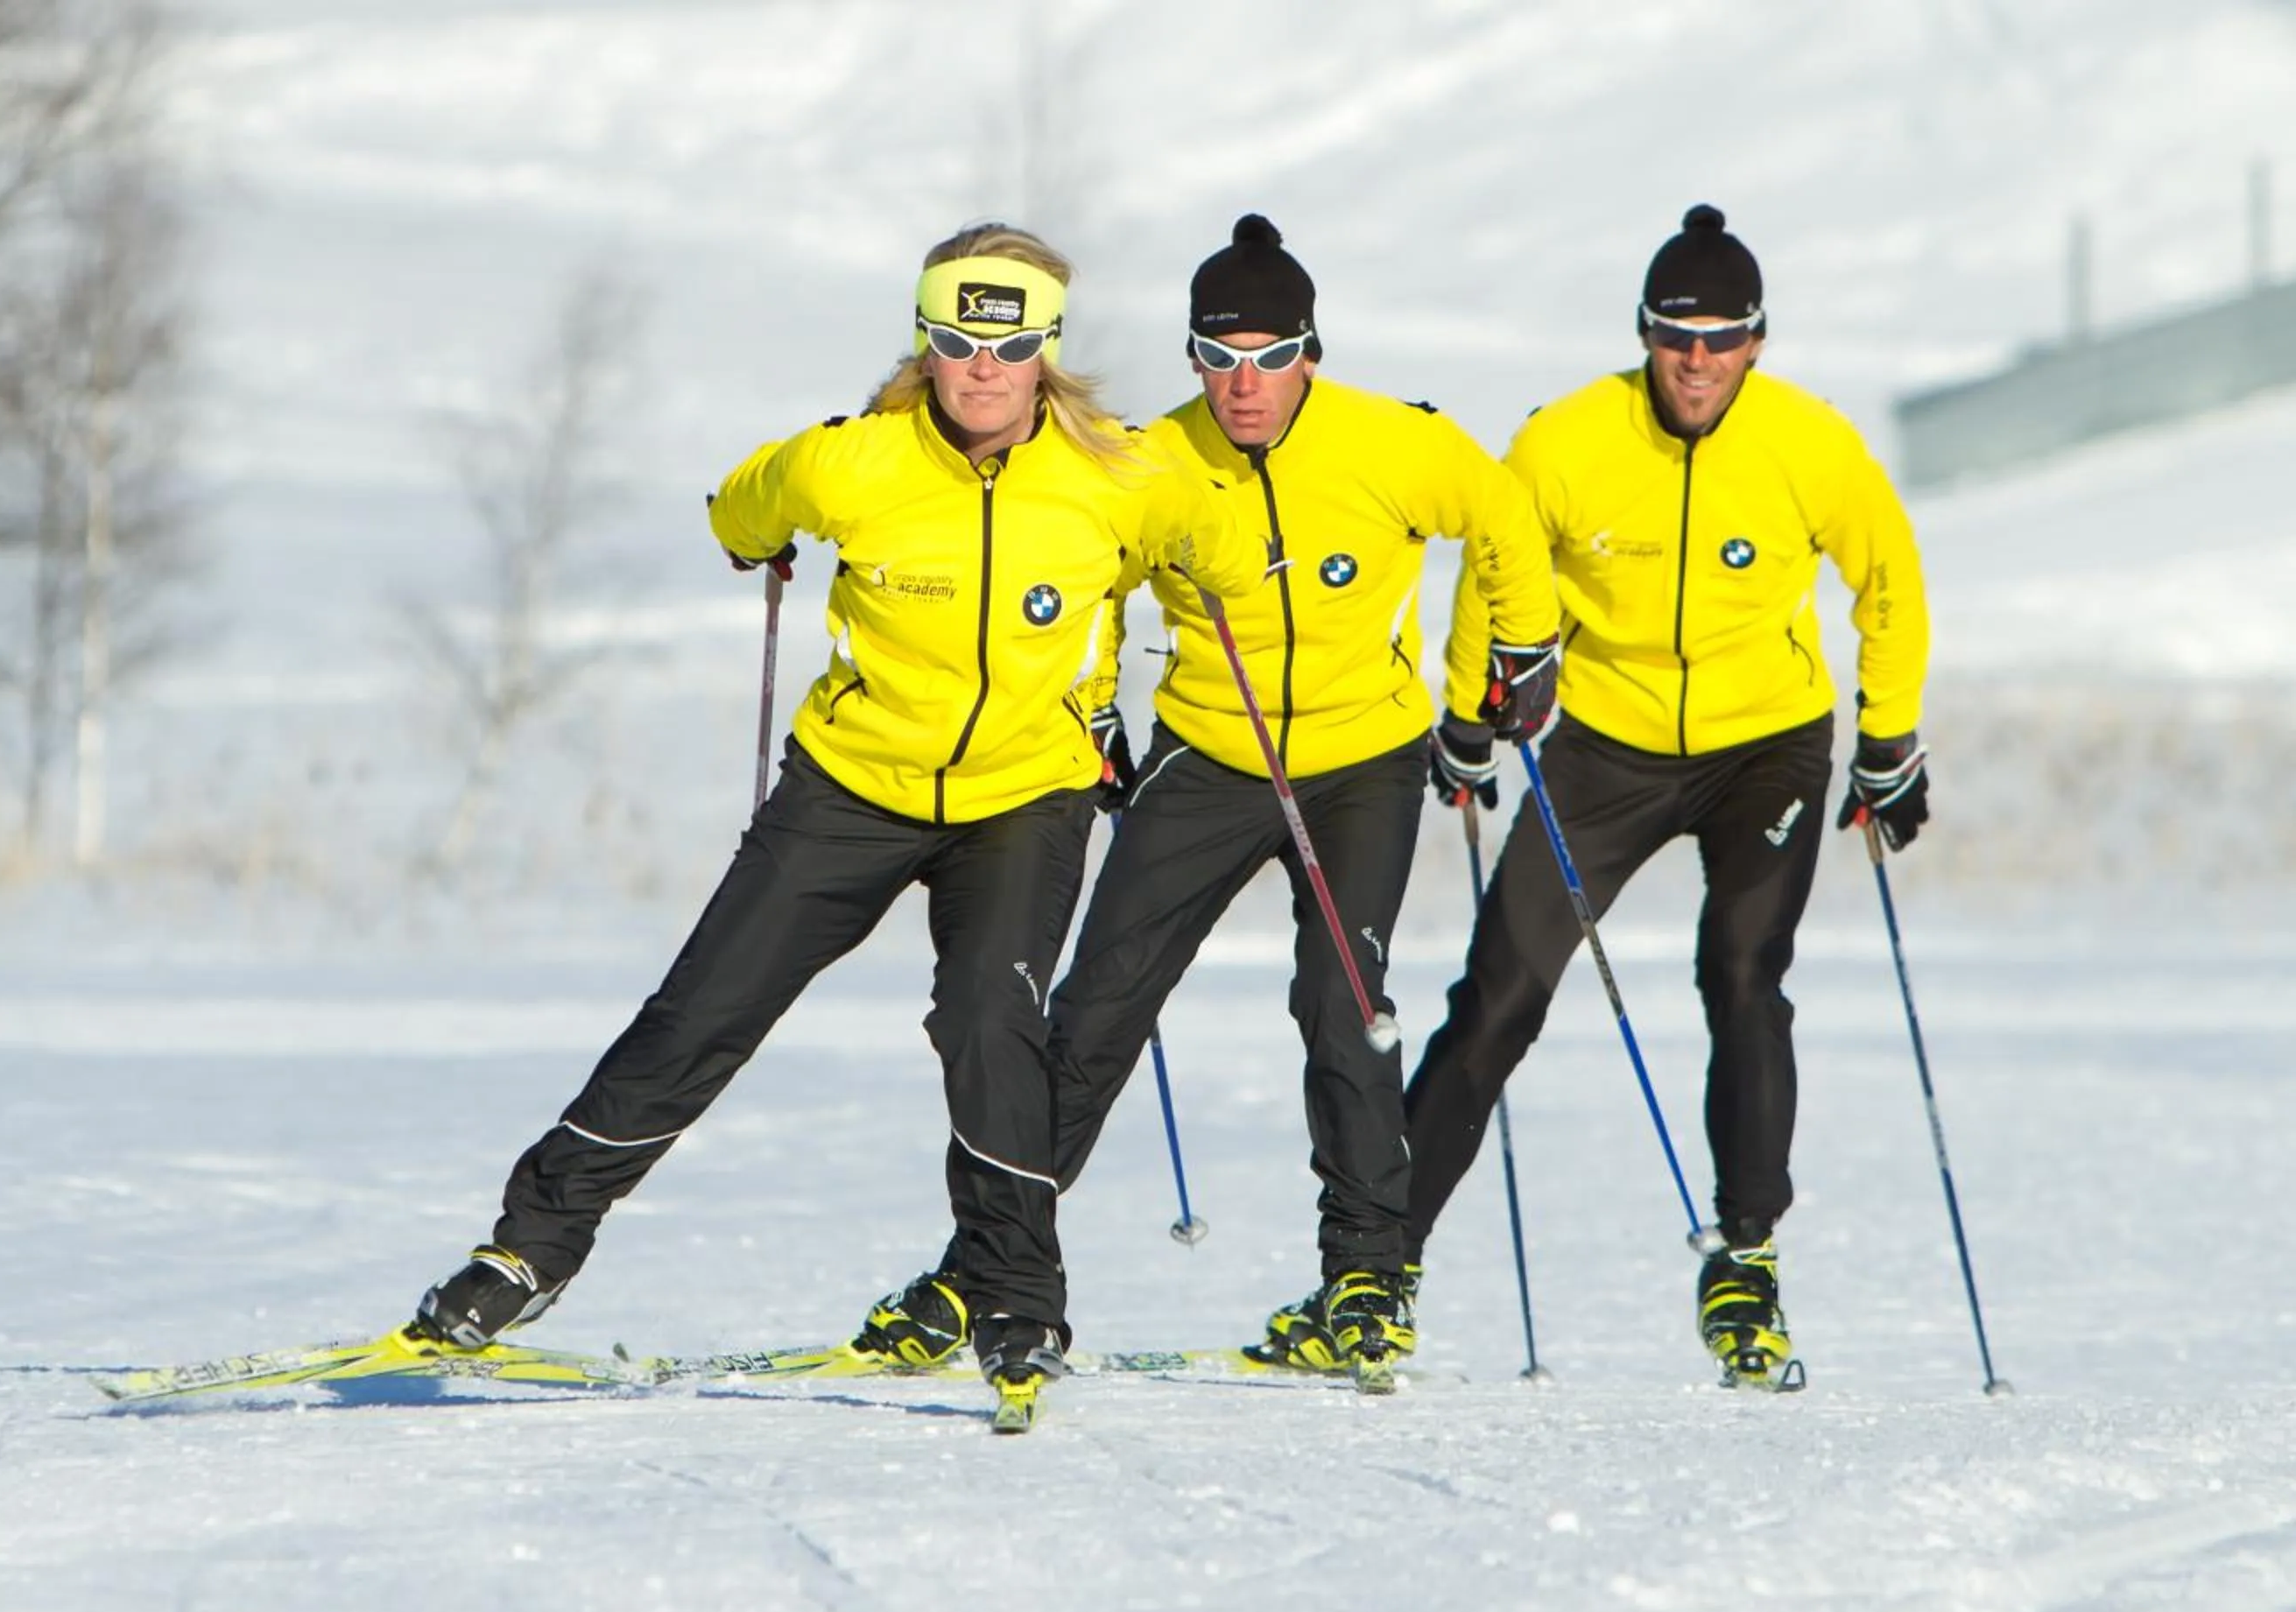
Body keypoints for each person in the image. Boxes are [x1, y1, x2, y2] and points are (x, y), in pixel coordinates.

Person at [405, 223, 1271, 1405]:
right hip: (850, 786)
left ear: (1047, 351)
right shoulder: (848, 464)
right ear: (925, 343)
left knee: (990, 1023)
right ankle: (529, 1249)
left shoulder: (1126, 475)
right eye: (959, 340)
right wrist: (759, 539)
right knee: (703, 1010)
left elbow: (1225, 557)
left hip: (1026, 795)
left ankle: (1017, 1298)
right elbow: (740, 513)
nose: (983, 366)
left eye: (1011, 342)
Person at [853, 215, 1560, 1377]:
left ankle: (1367, 1281)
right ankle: (979, 1273)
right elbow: (1085, 584)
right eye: (1220, 358)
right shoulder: (1148, 458)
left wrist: (1508, 663)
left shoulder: (1396, 444)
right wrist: (1092, 711)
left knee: (1345, 1000)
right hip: (1209, 755)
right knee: (1093, 1012)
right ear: (1192, 359)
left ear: (1310, 354)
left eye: (1271, 357)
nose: (1246, 384)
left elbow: (1502, 524)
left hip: (1361, 760)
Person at [1402, 204, 1933, 1385]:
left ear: (1756, 341)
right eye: (1676, 336)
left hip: (1768, 749)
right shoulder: (1565, 441)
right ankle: (1374, 1263)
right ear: (1644, 335)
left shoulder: (1811, 444)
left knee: (1743, 977)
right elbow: (1498, 563)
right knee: (1497, 996)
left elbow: (1888, 577)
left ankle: (1745, 1255)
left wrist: (1889, 736)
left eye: (1724, 337)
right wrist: (1468, 714)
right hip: (1603, 743)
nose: (1698, 361)